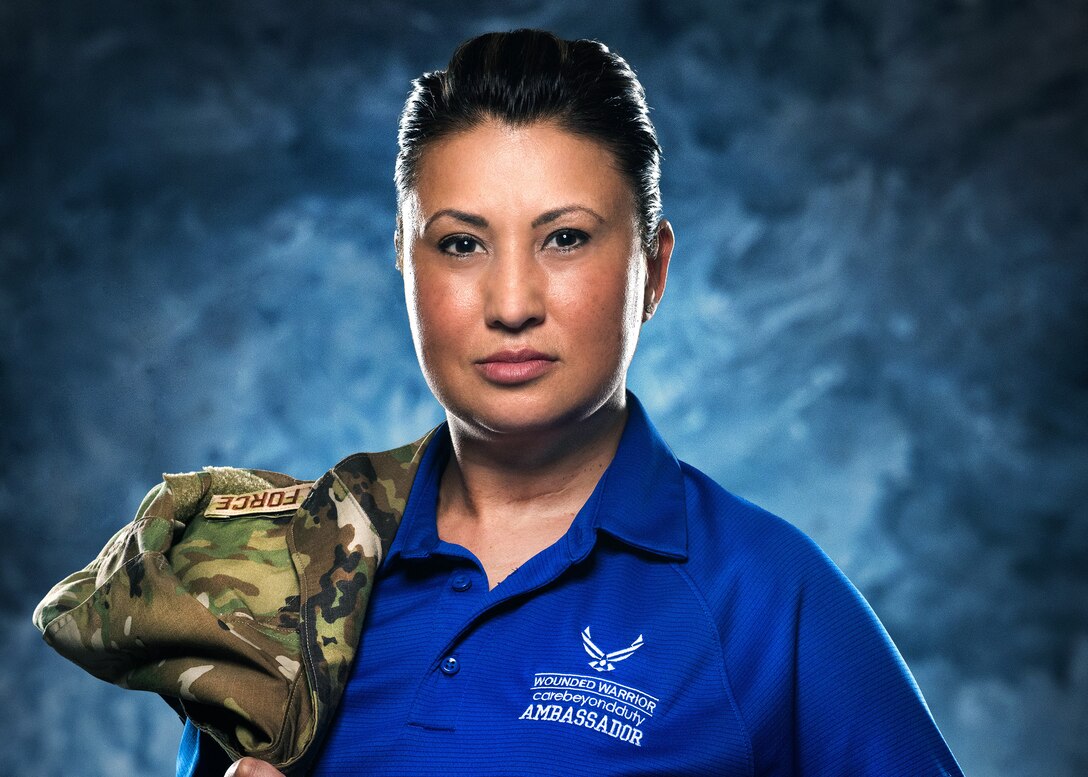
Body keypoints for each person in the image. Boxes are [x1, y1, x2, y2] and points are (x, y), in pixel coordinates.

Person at [36, 29, 964, 777]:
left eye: (564, 237)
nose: (513, 302)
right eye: (461, 245)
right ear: (403, 263)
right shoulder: (279, 576)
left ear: (654, 269)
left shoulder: (768, 600)